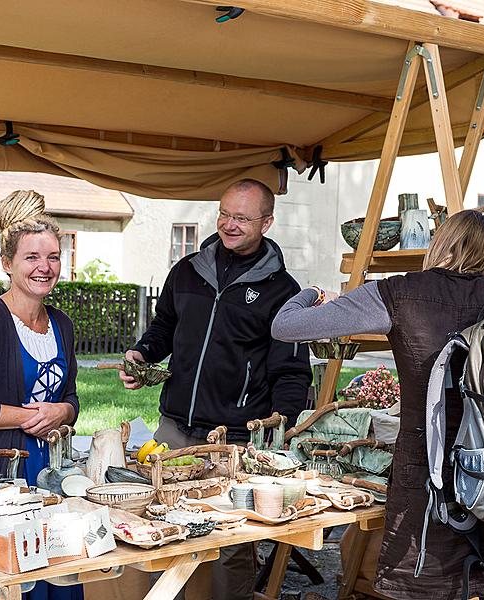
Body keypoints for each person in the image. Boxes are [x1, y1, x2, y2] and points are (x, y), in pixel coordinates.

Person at [271, 210, 484, 600]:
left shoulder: (397, 292)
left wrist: (312, 292)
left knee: (428, 582)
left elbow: (286, 326)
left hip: (430, 477)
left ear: (440, 243)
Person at [121, 178, 312, 600]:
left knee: (230, 545)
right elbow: (164, 328)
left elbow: (293, 373)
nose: (228, 224)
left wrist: (278, 433)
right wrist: (143, 354)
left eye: (242, 218)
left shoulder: (284, 292)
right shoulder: (187, 271)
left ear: (267, 222)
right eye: (224, 214)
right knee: (160, 530)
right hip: (174, 430)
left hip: (235, 440)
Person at [0, 190, 81, 600]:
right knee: (18, 586)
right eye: (32, 258)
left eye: (53, 257)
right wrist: (31, 417)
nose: (45, 268)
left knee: (61, 578)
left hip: (52, 478)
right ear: (7, 264)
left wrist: (61, 410)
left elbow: (73, 400)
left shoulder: (62, 324)